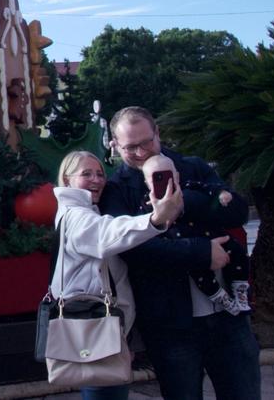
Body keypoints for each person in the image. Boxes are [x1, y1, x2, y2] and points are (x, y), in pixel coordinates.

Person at [99, 106, 261, 400]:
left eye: (146, 141)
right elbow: (132, 249)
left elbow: (236, 210)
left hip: (229, 317)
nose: (141, 151)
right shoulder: (116, 189)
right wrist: (199, 252)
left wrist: (183, 202)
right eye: (130, 147)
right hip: (169, 324)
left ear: (158, 133)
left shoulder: (193, 167)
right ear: (115, 145)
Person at [52, 150, 183, 400]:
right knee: (105, 389)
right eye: (86, 174)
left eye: (100, 174)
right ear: (67, 180)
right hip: (96, 328)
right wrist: (155, 219)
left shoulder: (79, 211)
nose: (97, 180)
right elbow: (107, 234)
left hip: (100, 327)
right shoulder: (78, 216)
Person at [140, 154, 252, 315]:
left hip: (214, 237)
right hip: (188, 250)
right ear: (146, 182)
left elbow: (209, 188)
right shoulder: (147, 202)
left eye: (168, 175)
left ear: (177, 175)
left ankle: (240, 291)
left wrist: (221, 193)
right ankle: (221, 297)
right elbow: (142, 232)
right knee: (200, 274)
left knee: (239, 252)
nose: (163, 181)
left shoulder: (189, 186)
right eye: (156, 178)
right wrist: (157, 217)